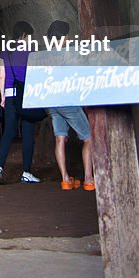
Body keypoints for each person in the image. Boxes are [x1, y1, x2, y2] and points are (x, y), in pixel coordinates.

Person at [0, 21, 41, 184]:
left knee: (9, 132)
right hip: (27, 96)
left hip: (10, 96)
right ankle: (26, 172)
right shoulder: (31, 50)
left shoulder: (6, 51)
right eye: (29, 36)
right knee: (27, 135)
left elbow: (2, 76)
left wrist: (3, 97)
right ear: (24, 34)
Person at [45, 20, 95, 191]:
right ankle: (89, 179)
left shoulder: (46, 56)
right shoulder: (69, 53)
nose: (70, 37)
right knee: (89, 138)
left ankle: (65, 179)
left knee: (60, 138)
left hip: (52, 102)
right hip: (68, 101)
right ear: (63, 36)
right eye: (68, 34)